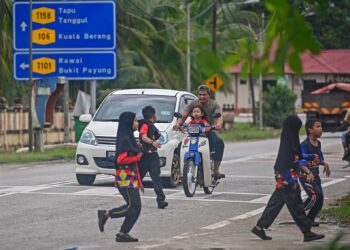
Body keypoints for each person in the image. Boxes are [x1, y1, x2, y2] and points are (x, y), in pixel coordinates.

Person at [251, 115, 325, 242]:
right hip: (286, 176)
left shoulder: (291, 139)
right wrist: (291, 180)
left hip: (287, 174)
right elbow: (283, 163)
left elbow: (298, 157)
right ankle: (307, 232)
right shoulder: (288, 143)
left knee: (276, 202)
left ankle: (259, 227)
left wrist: (310, 157)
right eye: (297, 127)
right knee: (296, 204)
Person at [97, 112, 143, 243]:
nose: (137, 123)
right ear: (128, 123)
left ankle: (123, 233)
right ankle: (106, 214)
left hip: (131, 176)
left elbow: (133, 163)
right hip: (125, 177)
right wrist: (137, 156)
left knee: (136, 207)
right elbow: (121, 159)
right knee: (133, 206)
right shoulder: (125, 140)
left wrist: (139, 181)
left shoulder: (129, 138)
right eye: (135, 121)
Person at [173, 84, 225, 178]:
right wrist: (177, 125)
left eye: (204, 94)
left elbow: (219, 116)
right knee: (181, 146)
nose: (202, 97)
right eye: (200, 94)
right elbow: (183, 116)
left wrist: (218, 125)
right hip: (194, 132)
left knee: (219, 143)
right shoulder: (193, 104)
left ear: (209, 95)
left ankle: (216, 170)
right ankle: (181, 171)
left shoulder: (215, 105)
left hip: (209, 131)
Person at [299, 119, 330, 227]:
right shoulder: (304, 144)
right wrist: (308, 172)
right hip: (305, 176)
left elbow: (319, 157)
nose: (321, 129)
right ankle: (298, 213)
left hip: (315, 176)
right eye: (318, 126)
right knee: (316, 195)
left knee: (320, 198)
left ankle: (309, 219)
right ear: (310, 130)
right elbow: (300, 161)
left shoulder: (318, 143)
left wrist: (324, 163)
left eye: (320, 126)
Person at [138, 106, 168, 209]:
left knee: (157, 179)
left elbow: (159, 136)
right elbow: (143, 136)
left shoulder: (152, 126)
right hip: (144, 156)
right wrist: (153, 142)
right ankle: (130, 199)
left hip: (153, 155)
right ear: (153, 115)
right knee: (138, 178)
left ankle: (161, 201)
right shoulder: (145, 125)